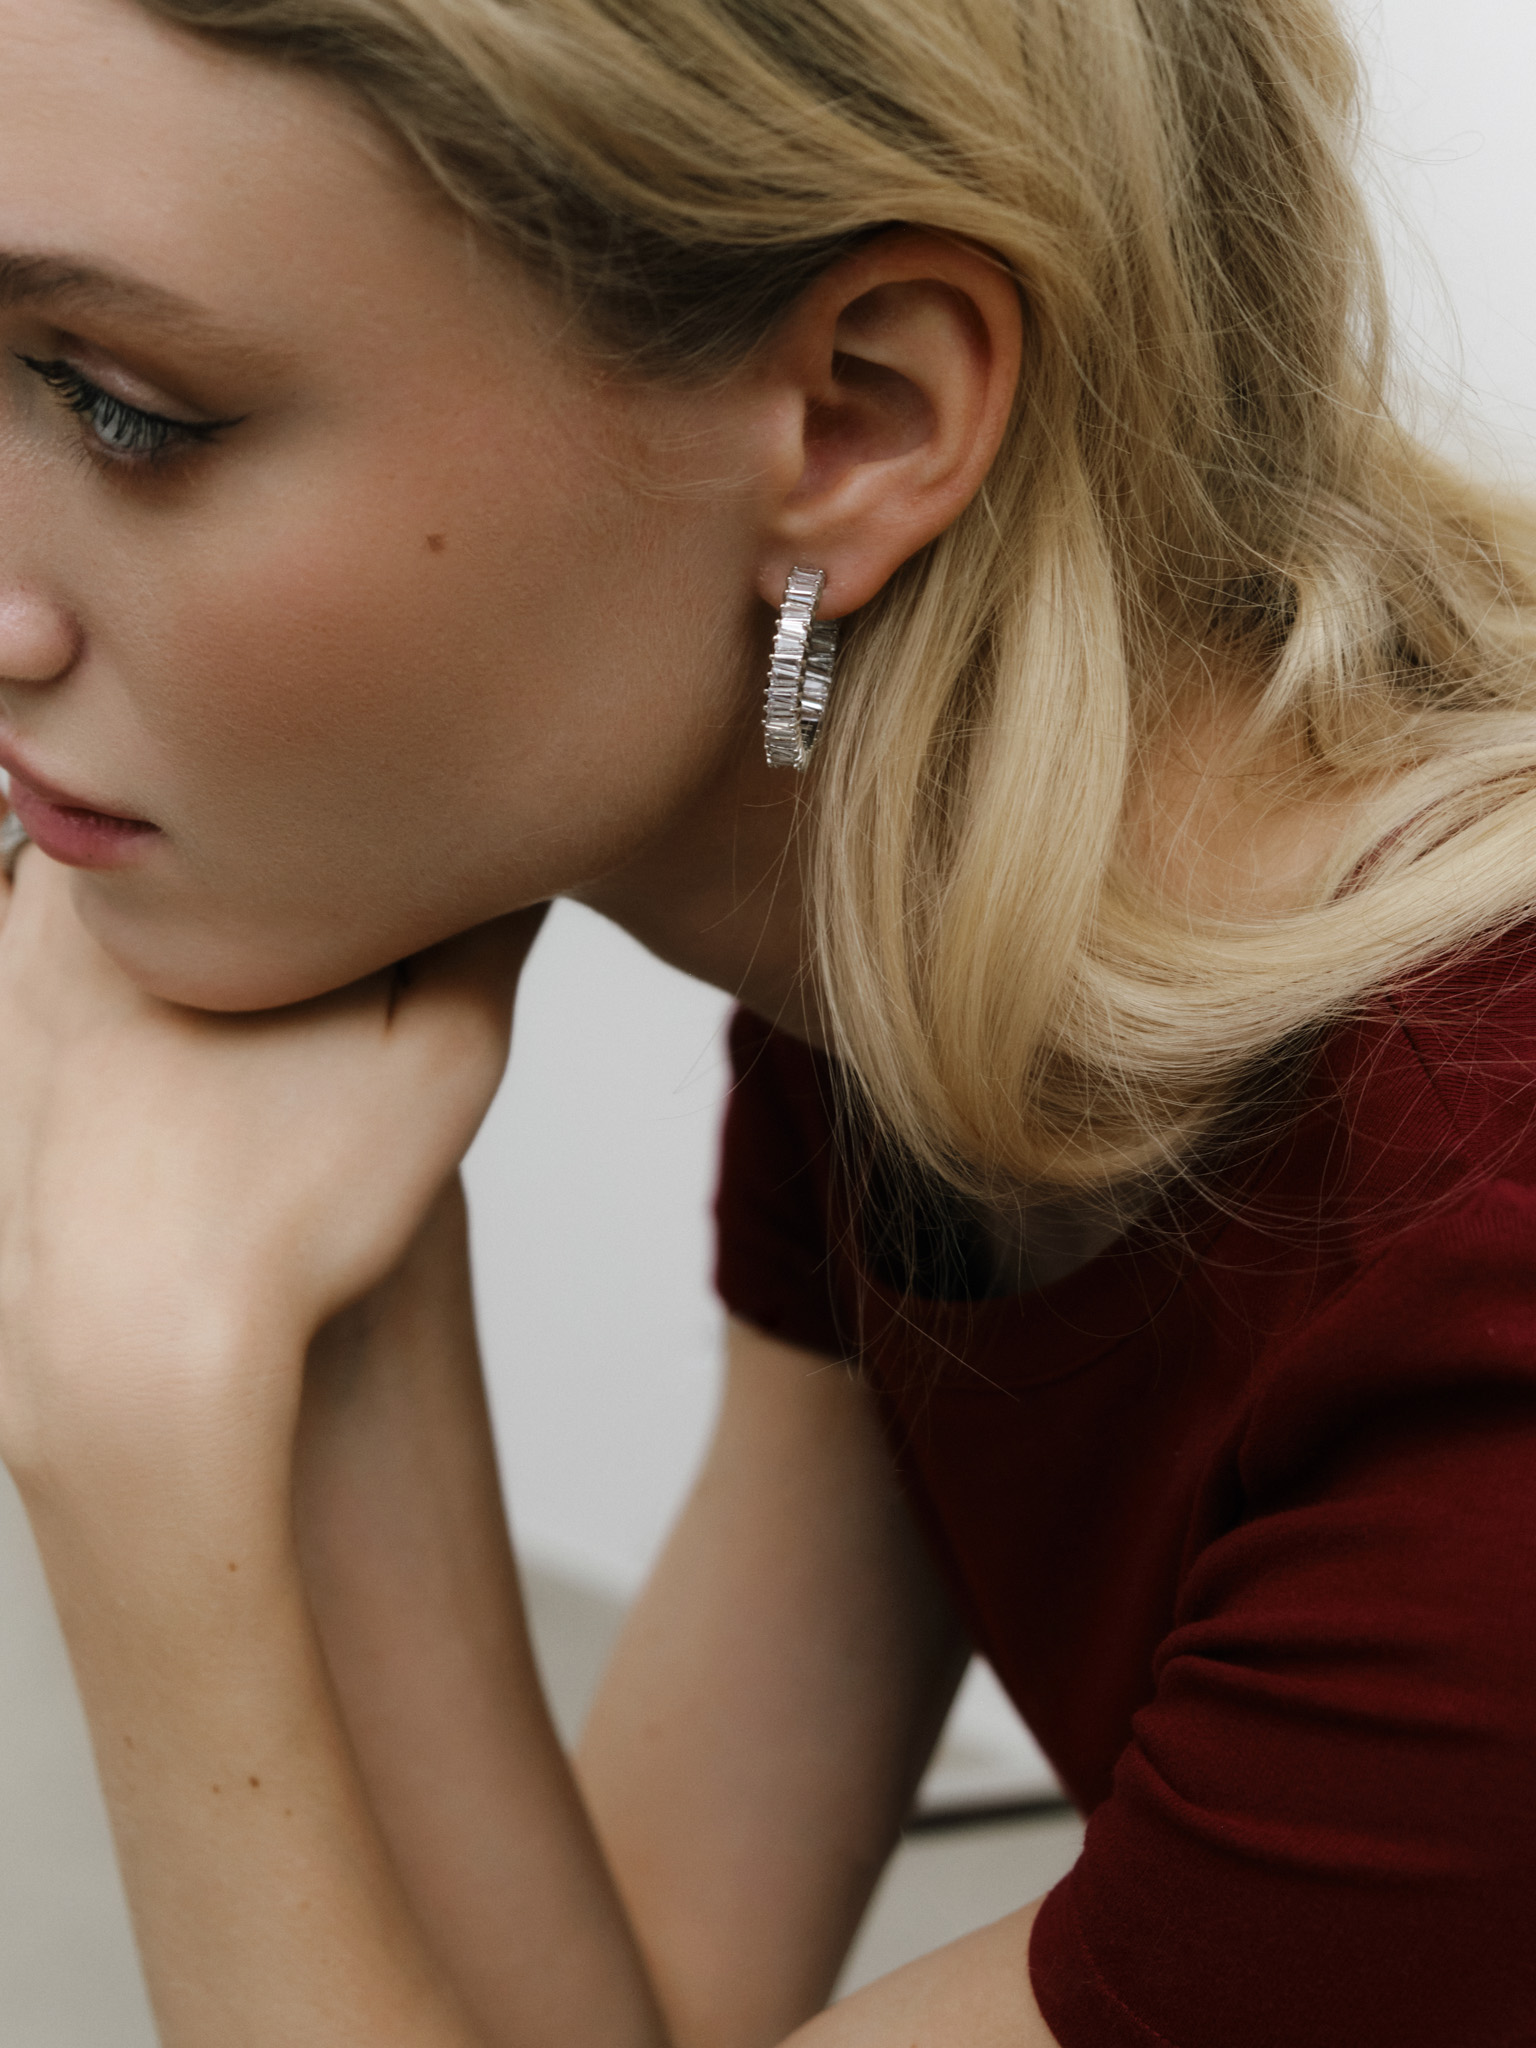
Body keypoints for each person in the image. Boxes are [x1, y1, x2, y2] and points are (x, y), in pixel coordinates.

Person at [1, 0, 1535, 2042]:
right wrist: (326, 1315)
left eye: (126, 411)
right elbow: (633, 2012)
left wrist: (137, 1449)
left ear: (859, 427)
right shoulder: (927, 990)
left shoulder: (1485, 1355)